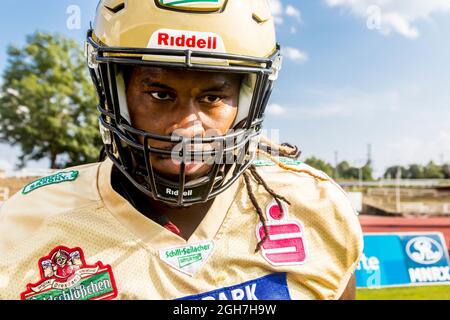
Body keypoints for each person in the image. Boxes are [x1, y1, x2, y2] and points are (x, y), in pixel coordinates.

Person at [0, 0, 363, 300]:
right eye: (160, 94)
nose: (187, 129)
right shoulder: (22, 231)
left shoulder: (315, 209)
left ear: (247, 99)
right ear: (117, 93)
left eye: (213, 97)